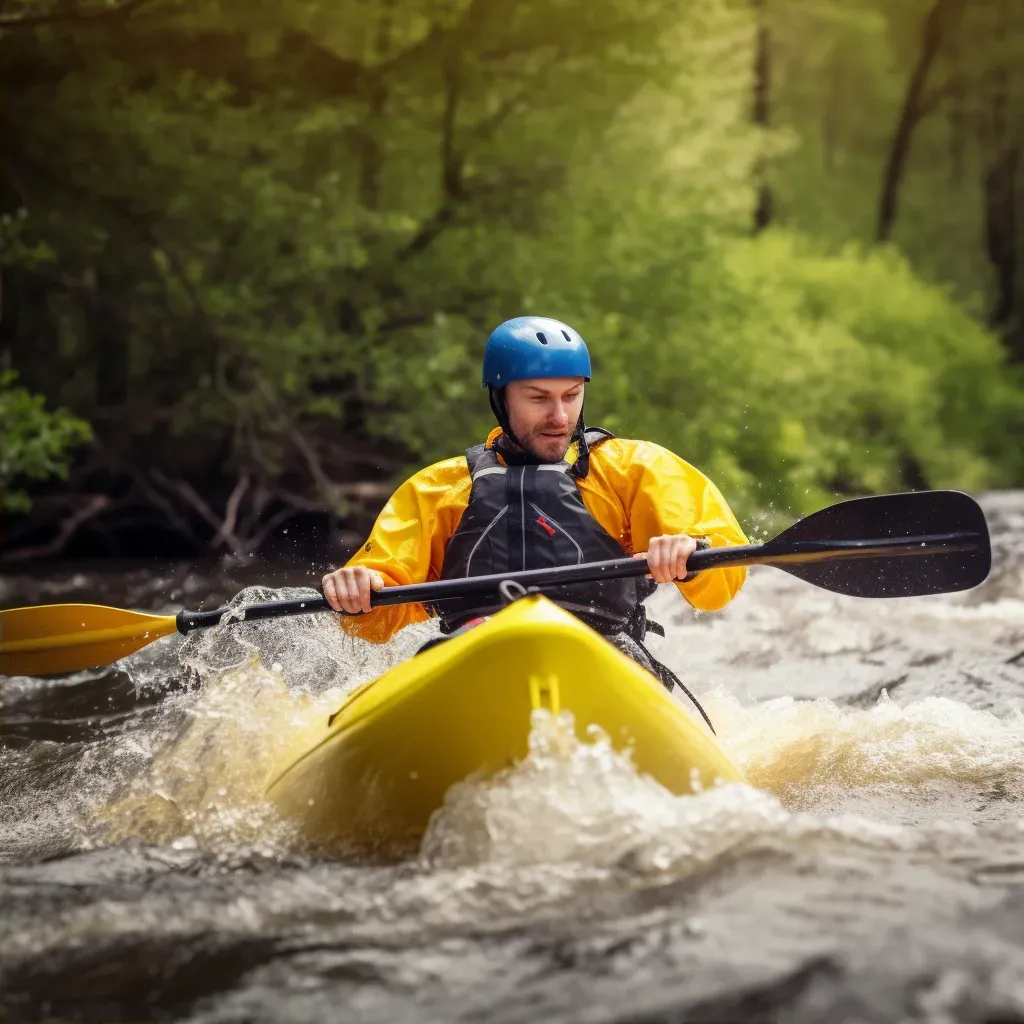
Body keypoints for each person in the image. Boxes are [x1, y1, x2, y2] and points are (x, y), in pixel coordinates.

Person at [322, 316, 748, 702]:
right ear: (500, 398)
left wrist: (690, 554)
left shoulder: (635, 470)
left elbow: (723, 583)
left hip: (605, 656)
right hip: (473, 656)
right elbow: (372, 622)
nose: (559, 416)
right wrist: (361, 586)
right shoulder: (437, 489)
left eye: (572, 395)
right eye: (538, 398)